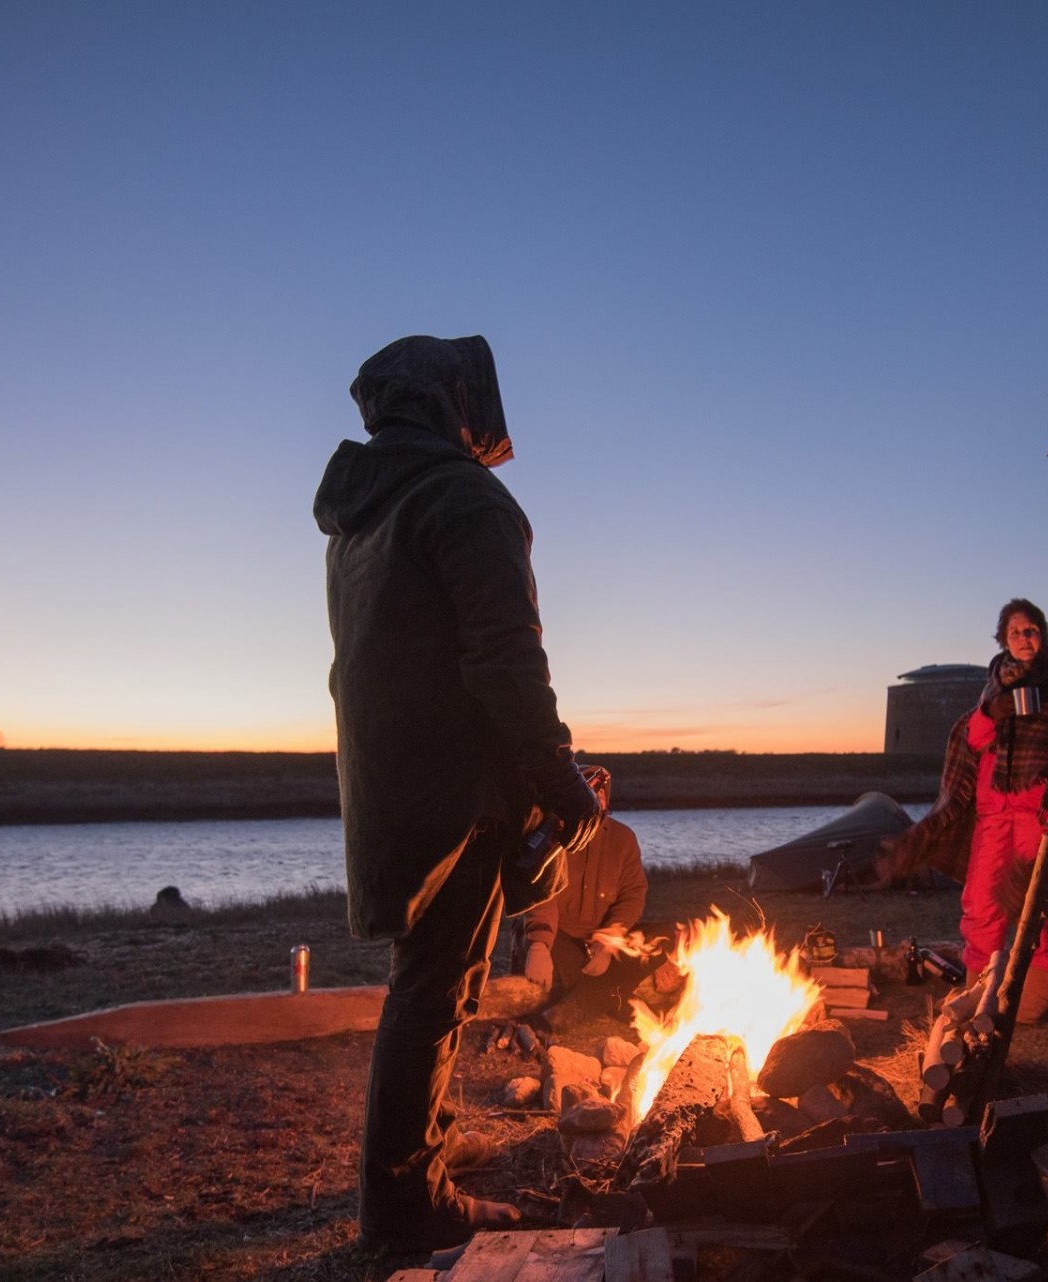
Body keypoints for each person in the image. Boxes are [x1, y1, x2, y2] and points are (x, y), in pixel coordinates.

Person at [314, 333, 603, 1254]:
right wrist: (558, 779)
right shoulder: (461, 497)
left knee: (428, 983)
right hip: (457, 789)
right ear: (450, 402)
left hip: (394, 780)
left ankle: (419, 1158)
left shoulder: (366, 515)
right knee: (433, 993)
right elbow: (505, 656)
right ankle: (404, 1210)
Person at [866, 599, 1048, 1024]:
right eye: (1017, 632)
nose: (1025, 638)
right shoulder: (993, 686)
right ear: (1003, 638)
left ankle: (1033, 997)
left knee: (1033, 902)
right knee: (981, 904)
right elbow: (975, 739)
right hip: (991, 813)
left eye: (1032, 630)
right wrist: (990, 713)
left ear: (1044, 635)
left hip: (1034, 813)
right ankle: (979, 987)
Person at [518, 767, 655, 1023]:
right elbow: (542, 896)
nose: (597, 798)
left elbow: (633, 893)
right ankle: (602, 1003)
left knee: (667, 937)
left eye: (601, 793)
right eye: (589, 792)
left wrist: (609, 938)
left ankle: (603, 996)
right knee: (570, 967)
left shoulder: (623, 838)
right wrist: (538, 945)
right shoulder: (553, 833)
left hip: (600, 938)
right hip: (557, 934)